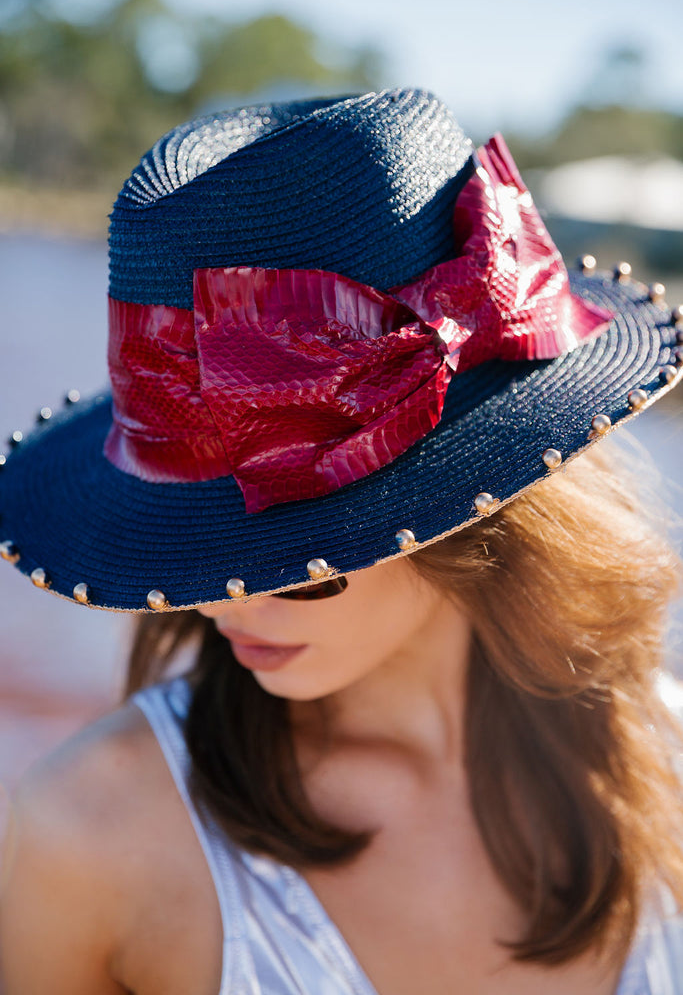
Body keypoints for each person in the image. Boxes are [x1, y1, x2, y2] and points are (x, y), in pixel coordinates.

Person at [1, 88, 682, 994]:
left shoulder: (664, 756)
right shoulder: (90, 833)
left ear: (474, 512)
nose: (218, 601)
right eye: (196, 552)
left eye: (291, 560)